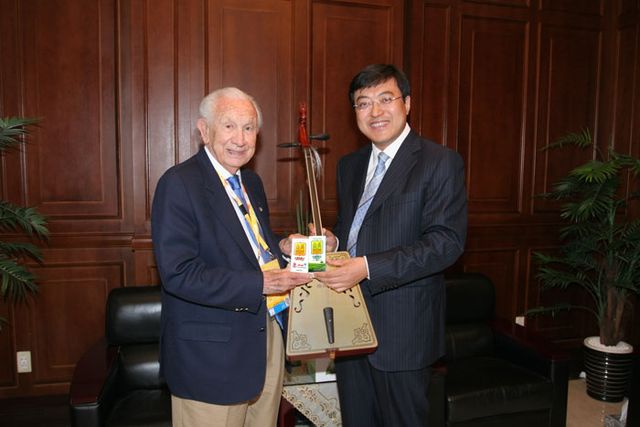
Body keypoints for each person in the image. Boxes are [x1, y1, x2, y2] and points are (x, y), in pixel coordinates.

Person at [314, 64, 467, 426]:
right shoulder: (349, 165)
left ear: (407, 103)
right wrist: (334, 239)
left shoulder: (439, 162)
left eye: (386, 99)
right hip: (350, 326)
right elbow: (354, 227)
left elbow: (445, 243)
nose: (375, 111)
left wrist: (367, 267)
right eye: (363, 103)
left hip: (403, 332)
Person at [151, 87, 313, 427]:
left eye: (249, 128)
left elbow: (247, 248)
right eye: (229, 126)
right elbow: (179, 273)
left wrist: (282, 246)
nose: (240, 139)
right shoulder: (179, 183)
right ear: (204, 130)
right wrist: (260, 283)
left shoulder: (250, 182)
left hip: (264, 336)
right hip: (211, 358)